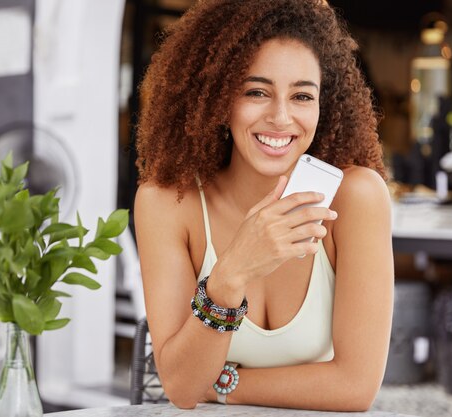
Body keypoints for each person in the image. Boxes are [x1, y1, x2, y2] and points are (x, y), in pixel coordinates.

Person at [134, 0, 394, 411]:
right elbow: (182, 388)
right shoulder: (169, 203)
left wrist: (221, 384)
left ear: (323, 105)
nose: (281, 117)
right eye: (256, 91)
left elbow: (355, 387)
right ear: (218, 97)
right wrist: (232, 272)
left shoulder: (356, 197)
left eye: (302, 96)